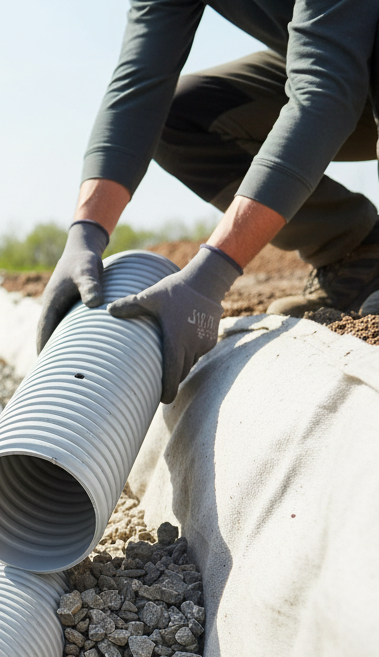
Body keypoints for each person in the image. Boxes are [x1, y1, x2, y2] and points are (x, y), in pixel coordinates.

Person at [36, 1, 379, 404]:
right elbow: (140, 84)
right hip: (349, 63)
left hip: (343, 74)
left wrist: (210, 276)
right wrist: (85, 233)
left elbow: (324, 91)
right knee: (180, 114)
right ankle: (356, 252)